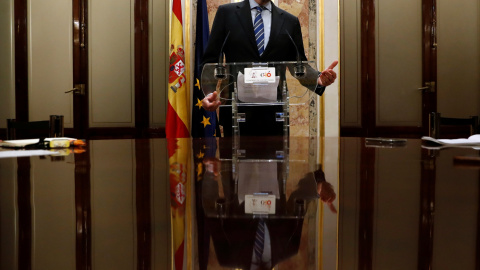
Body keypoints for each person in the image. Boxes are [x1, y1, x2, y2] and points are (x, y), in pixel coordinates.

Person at [201, 0, 338, 114]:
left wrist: (317, 79)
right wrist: (208, 94)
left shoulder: (290, 21)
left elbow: (298, 65)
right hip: (235, 110)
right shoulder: (226, 14)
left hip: (276, 114)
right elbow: (211, 60)